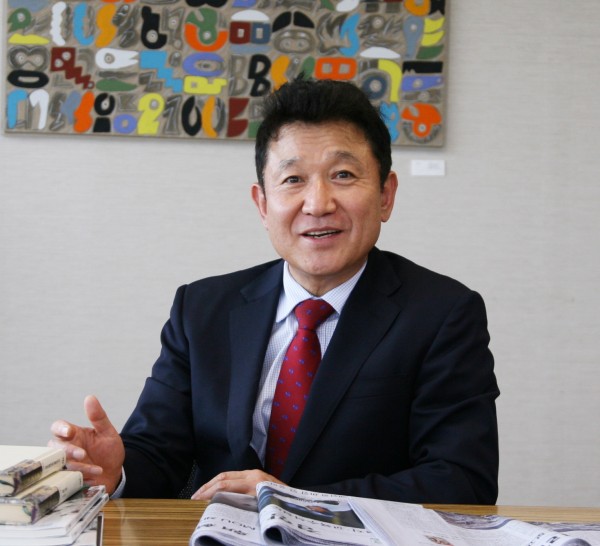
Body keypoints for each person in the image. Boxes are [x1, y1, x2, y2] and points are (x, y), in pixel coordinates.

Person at [49, 77, 499, 504]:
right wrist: (116, 471)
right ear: (263, 204)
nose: (318, 203)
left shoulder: (441, 314)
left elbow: (462, 480)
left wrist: (293, 502)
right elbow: (158, 451)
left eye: (343, 174)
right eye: (293, 179)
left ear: (385, 195)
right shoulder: (202, 309)